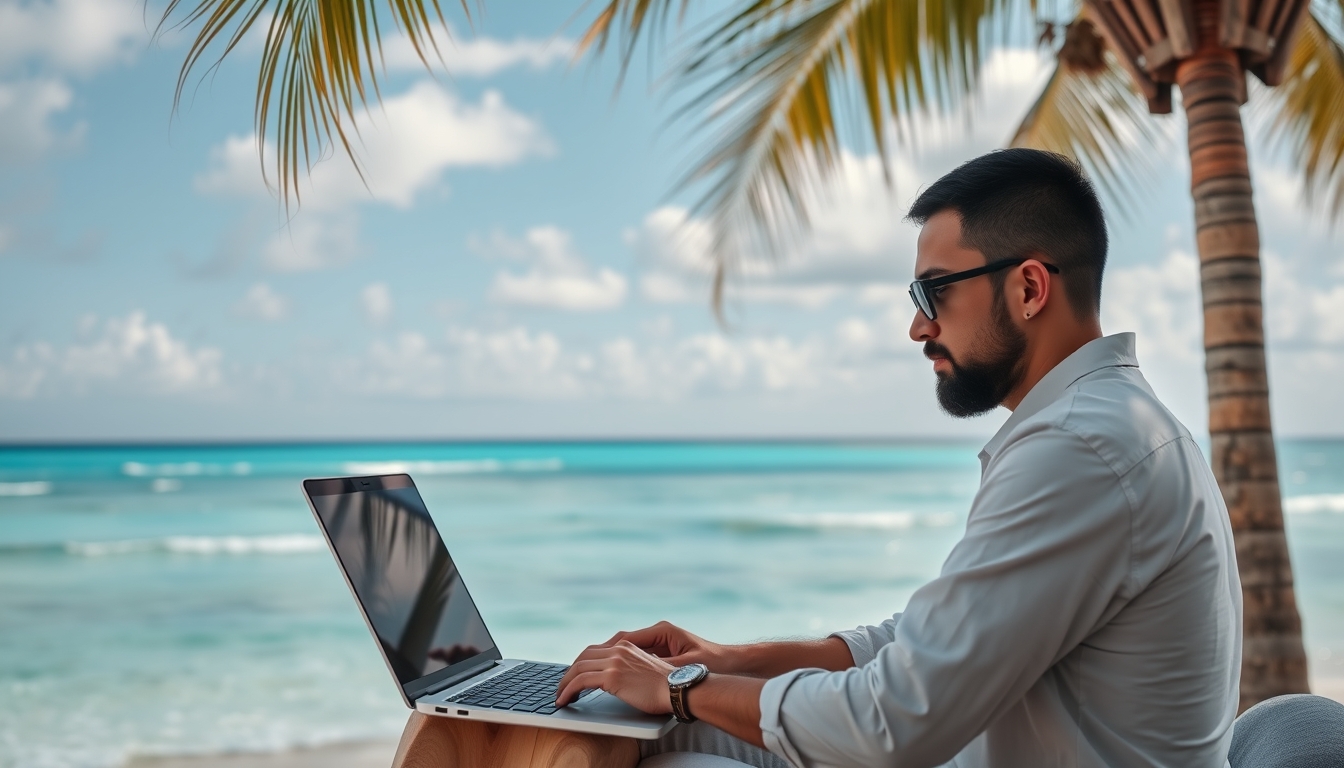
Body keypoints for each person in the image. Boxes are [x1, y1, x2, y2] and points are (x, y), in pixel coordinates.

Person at [554, 148, 1243, 767]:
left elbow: (894, 723)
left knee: (657, 751)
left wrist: (683, 689)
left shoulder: (1080, 450)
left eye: (934, 291)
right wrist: (725, 660)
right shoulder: (1110, 424)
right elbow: (923, 643)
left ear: (1030, 288)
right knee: (628, 731)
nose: (918, 325)